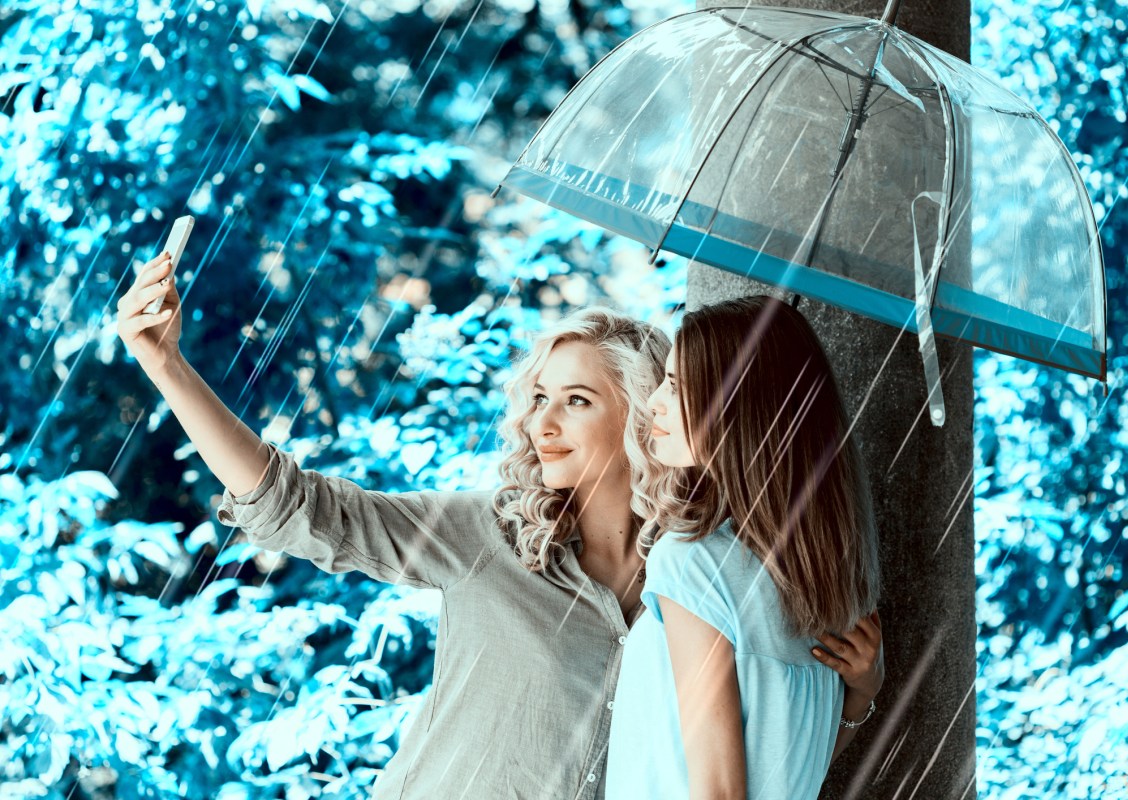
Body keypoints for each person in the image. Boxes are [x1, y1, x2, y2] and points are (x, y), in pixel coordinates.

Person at [117, 255, 881, 797]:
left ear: (646, 409)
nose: (540, 423)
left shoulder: (707, 577)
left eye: (577, 401)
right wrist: (167, 369)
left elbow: (761, 763)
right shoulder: (487, 537)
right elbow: (300, 509)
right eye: (538, 397)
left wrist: (855, 697)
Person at [606, 295, 883, 800]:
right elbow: (793, 768)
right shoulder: (827, 579)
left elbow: (720, 792)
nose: (655, 403)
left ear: (738, 405)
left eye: (675, 385)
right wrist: (864, 694)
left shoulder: (692, 562)